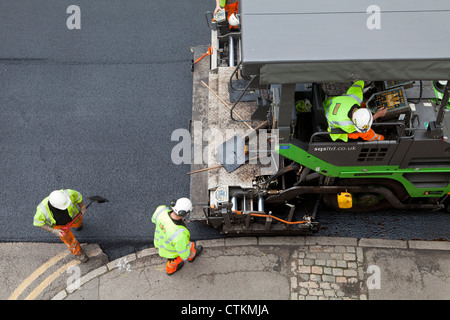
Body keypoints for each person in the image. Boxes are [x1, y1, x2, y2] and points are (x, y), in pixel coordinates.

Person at [151, 198, 203, 276]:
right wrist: (190, 254)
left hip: (162, 243)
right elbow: (183, 253)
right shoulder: (179, 234)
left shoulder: (161, 210)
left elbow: (153, 219)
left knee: (175, 257)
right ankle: (172, 269)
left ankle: (171, 269)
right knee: (188, 249)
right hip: (172, 252)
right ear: (184, 214)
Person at [34, 189, 88, 262]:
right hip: (59, 226)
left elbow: (78, 197)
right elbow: (39, 223)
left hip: (74, 217)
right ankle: (79, 253)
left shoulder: (68, 194)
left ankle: (78, 226)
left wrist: (82, 206)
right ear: (54, 206)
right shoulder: (42, 210)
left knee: (78, 222)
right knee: (69, 240)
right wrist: (53, 231)